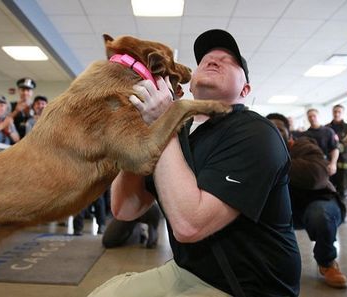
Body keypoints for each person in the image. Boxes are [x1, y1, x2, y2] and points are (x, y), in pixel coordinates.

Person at [89, 29, 301, 297]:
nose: (214, 59)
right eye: (206, 58)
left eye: (229, 60)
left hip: (250, 288)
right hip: (187, 271)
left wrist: (162, 122)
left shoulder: (256, 133)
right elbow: (125, 209)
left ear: (245, 89)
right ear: (191, 84)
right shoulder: (180, 132)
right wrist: (140, 131)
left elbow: (191, 226)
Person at [267, 113, 347, 288]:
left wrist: (274, 161)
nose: (275, 132)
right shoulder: (260, 152)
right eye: (271, 129)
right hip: (287, 209)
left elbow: (316, 176)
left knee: (320, 215)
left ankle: (327, 262)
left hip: (320, 201)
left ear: (289, 134)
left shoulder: (304, 145)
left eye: (280, 129)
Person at [326, 104, 347, 217]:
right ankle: (334, 213)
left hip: (346, 166)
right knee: (331, 191)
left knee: (346, 192)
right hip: (330, 166)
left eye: (339, 111)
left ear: (342, 113)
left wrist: (336, 148)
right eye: (335, 111)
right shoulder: (327, 128)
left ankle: (346, 215)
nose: (337, 113)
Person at [304, 108, 339, 177]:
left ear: (319, 116)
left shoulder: (328, 131)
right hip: (311, 166)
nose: (312, 118)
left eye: (314, 116)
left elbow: (334, 149)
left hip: (326, 165)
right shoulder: (305, 134)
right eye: (310, 117)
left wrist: (333, 163)